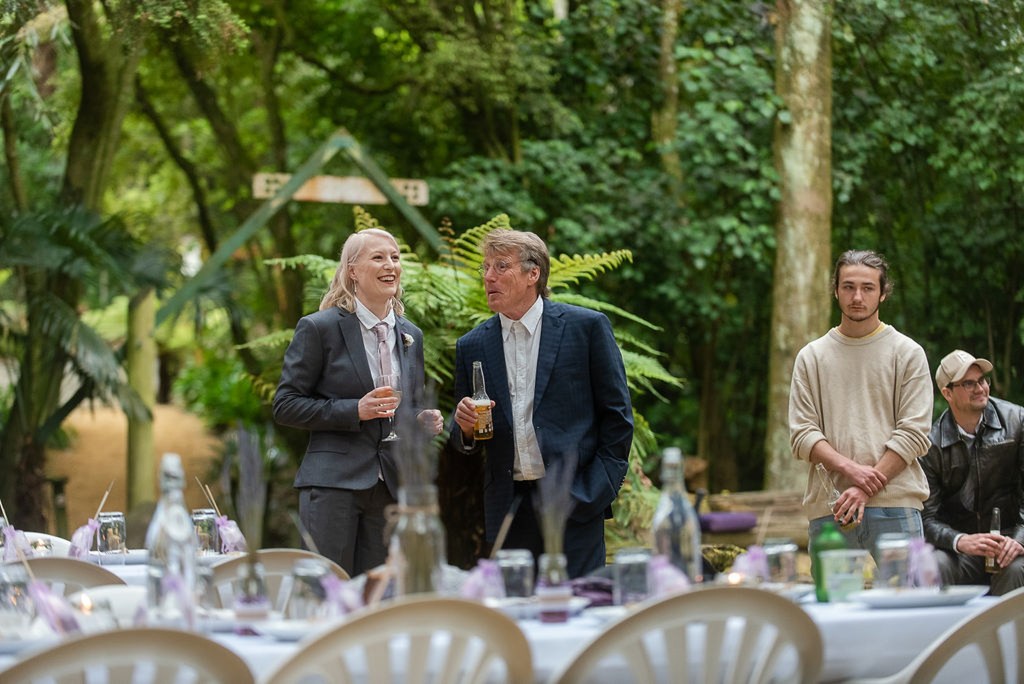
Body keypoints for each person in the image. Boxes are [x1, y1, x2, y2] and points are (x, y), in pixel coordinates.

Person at [448, 229, 633, 578]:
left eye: (501, 266)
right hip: (508, 507)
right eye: (485, 267)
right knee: (516, 607)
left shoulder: (586, 328)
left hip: (575, 500)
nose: (489, 276)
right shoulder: (472, 344)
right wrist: (465, 428)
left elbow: (618, 418)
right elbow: (461, 437)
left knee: (582, 602)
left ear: (533, 273)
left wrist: (595, 491)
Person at [273, 228, 443, 577]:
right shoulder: (319, 328)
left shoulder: (411, 335)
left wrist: (419, 420)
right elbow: (286, 404)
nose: (390, 265)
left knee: (381, 593)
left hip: (390, 488)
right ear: (352, 271)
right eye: (378, 257)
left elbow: (405, 408)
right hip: (332, 485)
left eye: (395, 257)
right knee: (328, 590)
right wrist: (354, 410)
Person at [789, 249, 933, 568]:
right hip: (830, 507)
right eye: (848, 287)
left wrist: (864, 488)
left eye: (867, 288)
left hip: (896, 504)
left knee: (908, 599)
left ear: (883, 293)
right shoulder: (812, 357)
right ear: (836, 291)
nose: (857, 297)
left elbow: (914, 433)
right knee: (832, 601)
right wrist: (851, 471)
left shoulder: (908, 353)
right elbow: (802, 434)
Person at [921, 350, 1024, 594]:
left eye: (982, 380)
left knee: (1015, 570)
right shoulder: (930, 445)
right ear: (947, 393)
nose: (980, 388)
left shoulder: (1018, 421)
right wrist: (960, 541)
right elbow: (926, 518)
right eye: (968, 383)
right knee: (935, 565)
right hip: (962, 549)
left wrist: (1019, 540)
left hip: (1010, 541)